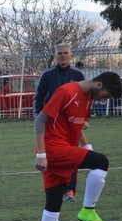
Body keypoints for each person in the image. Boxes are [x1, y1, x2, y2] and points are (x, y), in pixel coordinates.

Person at [34, 71, 122, 221]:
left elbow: (77, 125)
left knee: (53, 203)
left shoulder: (88, 98)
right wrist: (41, 154)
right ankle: (88, 210)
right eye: (105, 96)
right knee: (101, 162)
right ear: (99, 85)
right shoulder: (66, 92)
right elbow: (40, 120)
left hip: (61, 149)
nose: (103, 100)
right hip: (54, 149)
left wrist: (86, 146)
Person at [34, 44, 85, 202]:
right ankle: (56, 188)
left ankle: (70, 190)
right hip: (51, 123)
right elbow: (39, 97)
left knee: (73, 154)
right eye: (60, 53)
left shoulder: (77, 74)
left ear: (70, 55)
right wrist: (39, 117)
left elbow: (84, 98)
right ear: (56, 56)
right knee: (53, 155)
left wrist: (84, 118)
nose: (63, 55)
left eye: (66, 53)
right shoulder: (47, 75)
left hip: (70, 123)